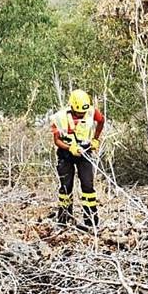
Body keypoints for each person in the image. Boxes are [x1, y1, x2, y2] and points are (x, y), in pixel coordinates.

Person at [51, 89, 105, 229]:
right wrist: (70, 148)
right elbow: (56, 140)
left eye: (84, 112)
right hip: (66, 154)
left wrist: (95, 139)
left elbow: (101, 121)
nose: (82, 114)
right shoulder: (60, 117)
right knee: (66, 187)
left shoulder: (91, 111)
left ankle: (91, 220)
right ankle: (64, 220)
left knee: (88, 185)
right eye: (79, 112)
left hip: (85, 152)